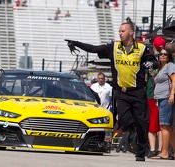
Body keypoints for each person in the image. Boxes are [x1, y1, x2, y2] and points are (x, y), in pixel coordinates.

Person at [65, 21, 157, 161]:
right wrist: (76, 43)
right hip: (121, 92)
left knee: (142, 123)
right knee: (125, 121)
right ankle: (133, 137)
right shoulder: (113, 47)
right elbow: (95, 49)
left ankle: (141, 150)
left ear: (131, 32)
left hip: (138, 91)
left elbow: (154, 61)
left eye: (123, 31)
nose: (120, 33)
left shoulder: (142, 48)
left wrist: (151, 63)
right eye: (119, 31)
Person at [153, 48, 175, 160]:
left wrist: (172, 94)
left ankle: (165, 152)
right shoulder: (161, 68)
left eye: (165, 54)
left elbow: (174, 80)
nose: (162, 56)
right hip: (161, 99)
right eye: (160, 54)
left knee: (165, 126)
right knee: (168, 127)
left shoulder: (170, 65)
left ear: (169, 56)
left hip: (166, 98)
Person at [146, 36, 166, 158]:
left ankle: (154, 149)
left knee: (154, 124)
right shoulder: (168, 62)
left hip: (153, 95)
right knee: (161, 124)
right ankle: (159, 149)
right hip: (161, 95)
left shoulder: (152, 61)